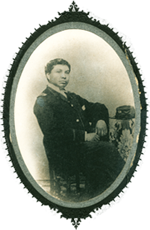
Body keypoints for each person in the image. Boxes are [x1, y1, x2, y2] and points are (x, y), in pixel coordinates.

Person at [34, 58, 125, 197]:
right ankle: (124, 185)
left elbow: (96, 107)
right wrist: (84, 136)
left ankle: (95, 196)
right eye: (59, 72)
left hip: (82, 150)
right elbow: (52, 132)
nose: (64, 76)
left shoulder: (71, 97)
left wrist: (100, 119)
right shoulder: (43, 100)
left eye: (67, 72)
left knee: (101, 166)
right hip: (63, 154)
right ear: (48, 74)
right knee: (107, 149)